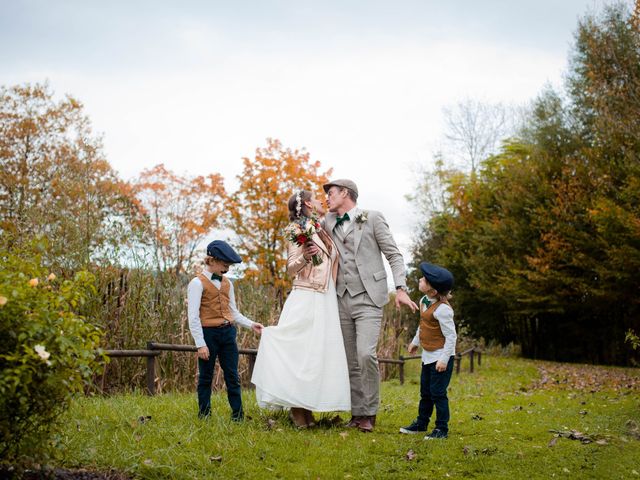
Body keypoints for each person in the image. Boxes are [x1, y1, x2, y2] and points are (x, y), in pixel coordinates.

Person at [305, 179, 418, 432]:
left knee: (366, 354)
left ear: (345, 193)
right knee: (350, 360)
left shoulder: (373, 218)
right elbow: (313, 238)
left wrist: (400, 288)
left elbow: (394, 255)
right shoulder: (328, 222)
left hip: (369, 297)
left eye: (331, 193)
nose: (327, 198)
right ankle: (358, 414)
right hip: (340, 297)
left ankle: (370, 412)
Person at [251, 190, 350, 428]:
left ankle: (307, 409)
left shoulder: (319, 229)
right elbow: (290, 269)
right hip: (306, 296)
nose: (320, 201)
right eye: (316, 198)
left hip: (324, 298)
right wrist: (305, 256)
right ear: (307, 203)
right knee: (300, 355)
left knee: (315, 355)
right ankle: (297, 411)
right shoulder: (296, 231)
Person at [187, 240, 263, 421]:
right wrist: (200, 344)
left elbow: (233, 312)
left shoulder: (228, 284)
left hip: (228, 333)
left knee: (233, 376)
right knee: (206, 377)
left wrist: (251, 324)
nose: (227, 269)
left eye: (229, 266)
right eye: (224, 265)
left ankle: (238, 416)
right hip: (208, 334)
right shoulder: (197, 283)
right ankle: (204, 415)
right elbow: (193, 317)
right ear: (211, 260)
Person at [399, 262, 456, 439]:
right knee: (425, 393)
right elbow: (423, 325)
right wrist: (415, 342)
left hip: (441, 357)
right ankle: (421, 423)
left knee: (438, 394)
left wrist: (444, 359)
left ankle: (441, 429)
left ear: (433, 291)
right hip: (428, 356)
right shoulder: (424, 302)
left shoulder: (443, 310)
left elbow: (452, 337)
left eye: (424, 279)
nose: (420, 279)